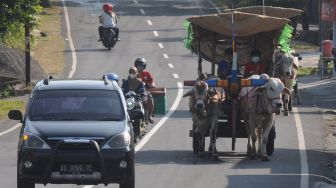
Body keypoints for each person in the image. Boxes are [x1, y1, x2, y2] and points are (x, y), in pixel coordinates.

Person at [134, 58, 155, 124]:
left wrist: (150, 85)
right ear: (136, 66)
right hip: (135, 92)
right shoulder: (133, 74)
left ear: (144, 67)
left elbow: (152, 83)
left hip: (145, 91)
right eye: (138, 66)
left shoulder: (147, 74)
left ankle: (149, 116)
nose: (140, 68)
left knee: (150, 100)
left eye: (141, 67)